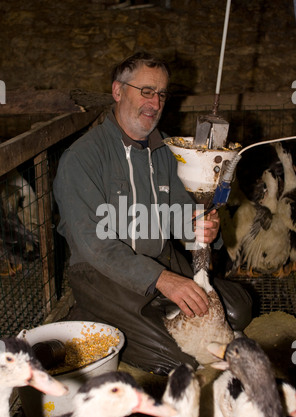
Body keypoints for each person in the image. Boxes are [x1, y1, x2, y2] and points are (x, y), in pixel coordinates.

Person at [54, 51, 252, 375]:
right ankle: (98, 312)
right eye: (146, 91)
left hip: (161, 261)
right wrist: (162, 280)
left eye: (161, 94)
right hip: (101, 275)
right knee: (180, 360)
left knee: (238, 309)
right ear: (118, 91)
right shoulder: (82, 158)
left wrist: (201, 229)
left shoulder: (163, 153)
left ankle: (156, 315)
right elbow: (92, 245)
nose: (155, 102)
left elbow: (182, 215)